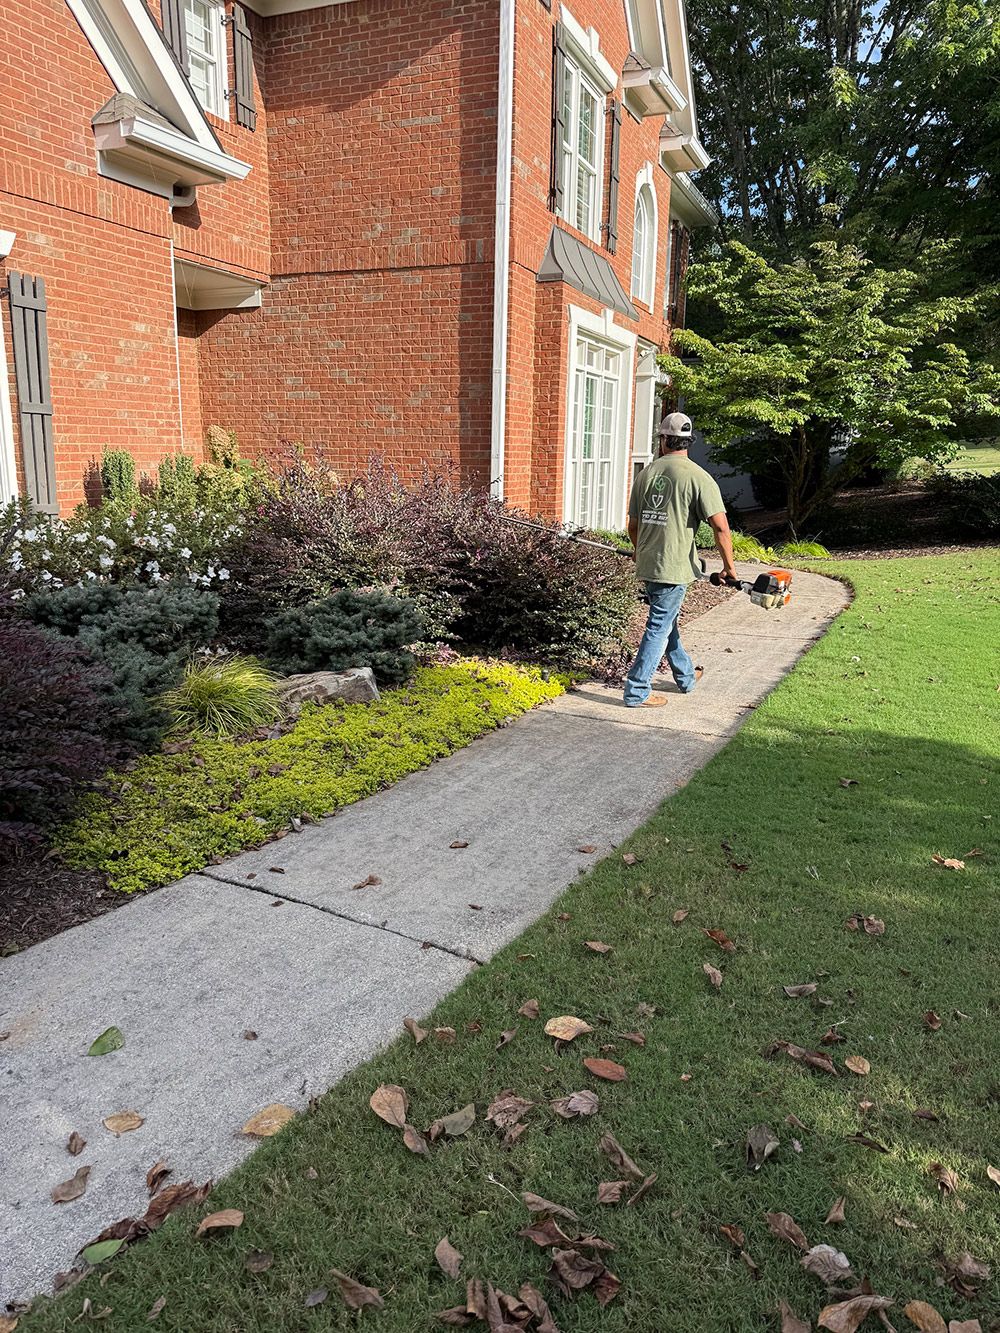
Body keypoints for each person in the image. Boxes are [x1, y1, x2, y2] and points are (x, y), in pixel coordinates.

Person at [624, 410, 739, 708]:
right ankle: (637, 690)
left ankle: (686, 676)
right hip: (673, 567)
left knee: (667, 622)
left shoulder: (645, 474)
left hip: (649, 563)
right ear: (689, 441)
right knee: (660, 625)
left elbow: (633, 526)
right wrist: (729, 569)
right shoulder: (699, 477)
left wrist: (640, 549)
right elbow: (721, 527)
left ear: (663, 440)